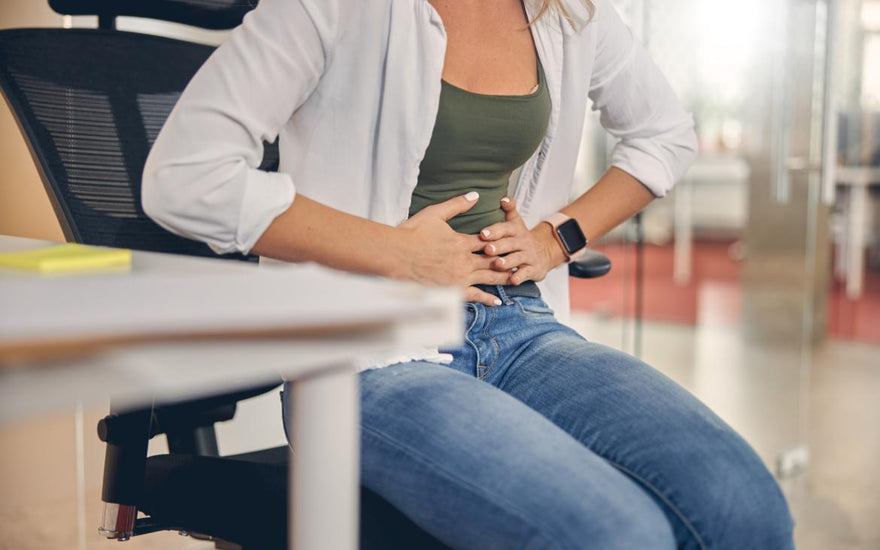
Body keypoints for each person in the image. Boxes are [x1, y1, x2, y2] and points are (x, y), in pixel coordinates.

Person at [142, 0, 795, 548]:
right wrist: (397, 253)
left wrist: (555, 237)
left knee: (745, 507)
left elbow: (665, 134)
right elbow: (185, 176)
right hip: (365, 355)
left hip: (518, 329)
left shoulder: (562, 12)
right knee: (618, 535)